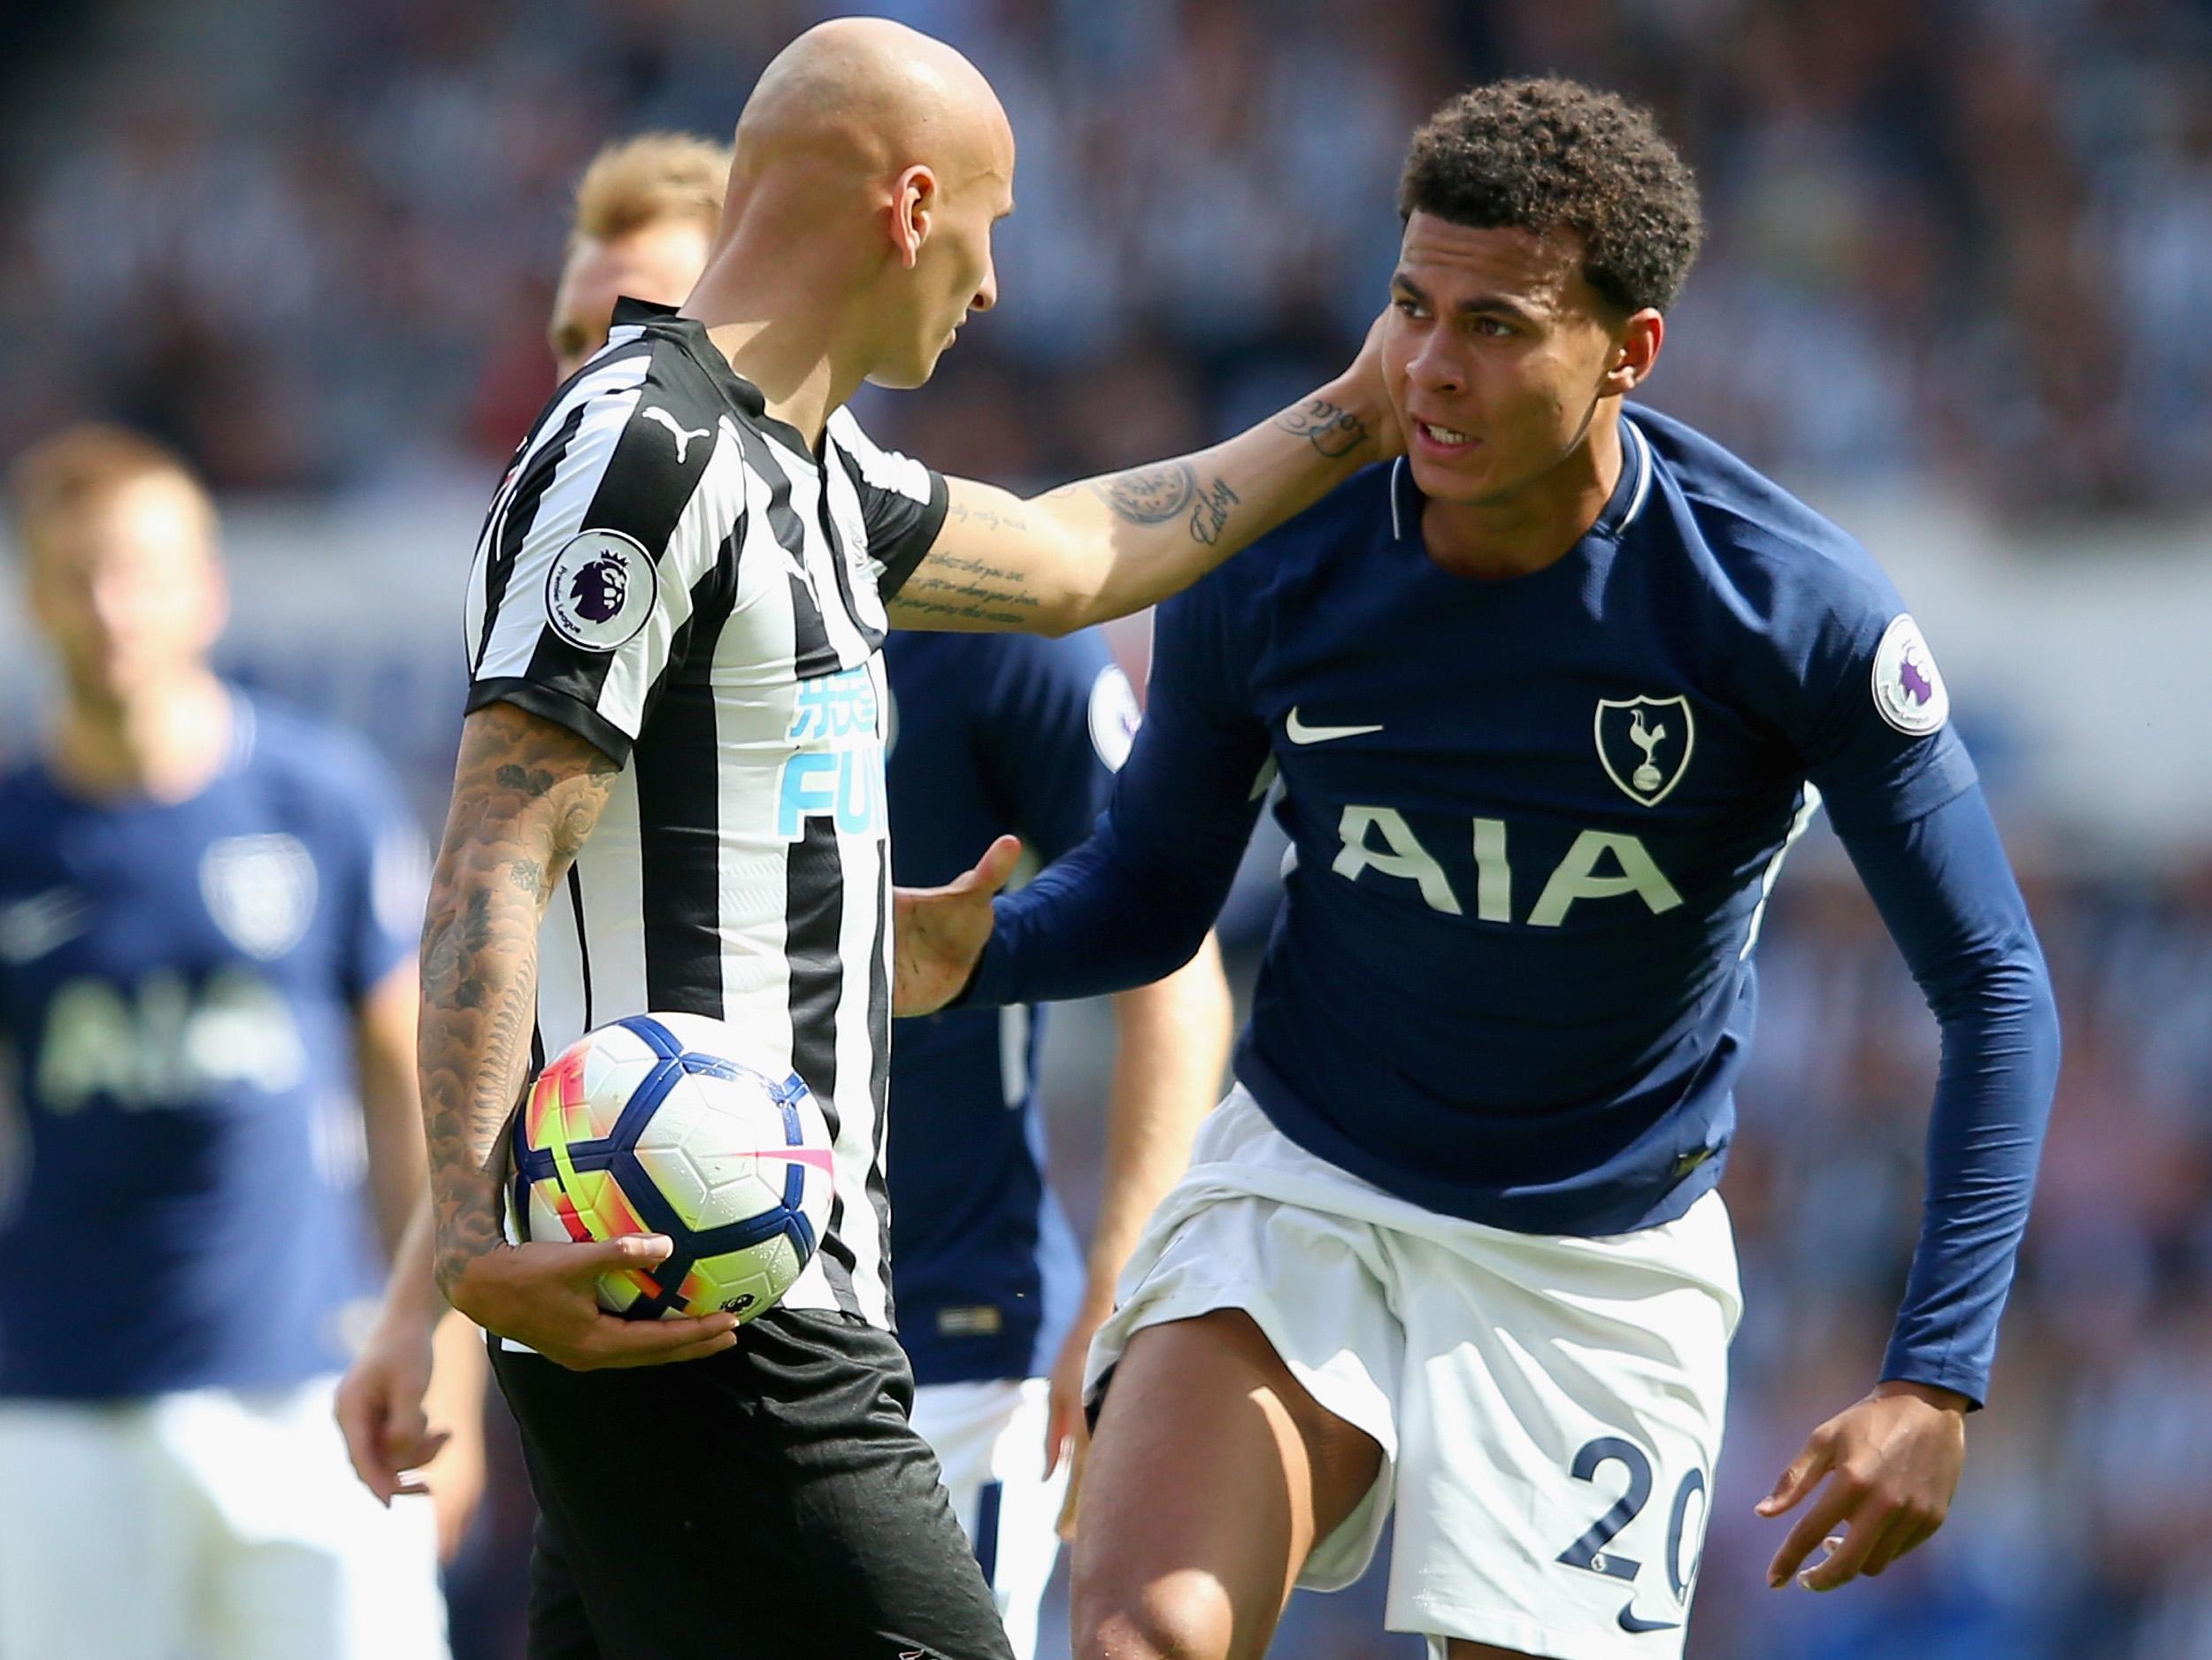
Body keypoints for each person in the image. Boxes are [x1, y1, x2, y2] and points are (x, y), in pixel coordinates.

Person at [895, 78, 2063, 1660]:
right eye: (1410, 306)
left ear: (1628, 352)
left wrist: (1934, 1376)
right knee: (1140, 1638)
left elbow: (1994, 986)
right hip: (1308, 1188)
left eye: (1500, 326)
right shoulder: (1276, 562)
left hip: (1598, 1264)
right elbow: (1152, 896)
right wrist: (984, 949)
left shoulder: (1791, 616)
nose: (1432, 370)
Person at [421, 20, 1392, 1660]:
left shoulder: (811, 471)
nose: (995, 284)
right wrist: (459, 1233)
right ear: (911, 205)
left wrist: (1361, 412)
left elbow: (1080, 554)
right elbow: (494, 847)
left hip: (772, 1300)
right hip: (704, 1294)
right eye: (991, 230)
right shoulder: (643, 452)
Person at [0, 425, 456, 1659]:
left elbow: (412, 1090)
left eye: (140, 572)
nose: (111, 608)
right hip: (56, 1412)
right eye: (76, 576)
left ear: (205, 589)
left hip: (306, 1392)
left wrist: (442, 1353)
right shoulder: (10, 836)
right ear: (35, 601)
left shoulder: (321, 801)